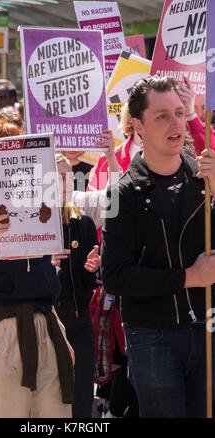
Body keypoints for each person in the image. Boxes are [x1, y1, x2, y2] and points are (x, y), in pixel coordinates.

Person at [101, 75, 215, 418]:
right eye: (162, 116)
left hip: (208, 328)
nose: (176, 123)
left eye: (179, 113)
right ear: (138, 126)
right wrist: (186, 278)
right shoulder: (122, 194)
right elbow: (115, 277)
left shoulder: (205, 179)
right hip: (153, 337)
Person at [0, 118, 74, 418]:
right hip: (0, 335)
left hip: (45, 330)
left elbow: (42, 284)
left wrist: (59, 335)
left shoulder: (40, 212)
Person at [53, 153, 100, 418]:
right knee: (51, 400)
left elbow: (89, 282)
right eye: (58, 177)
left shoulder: (83, 222)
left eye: (69, 176)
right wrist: (45, 264)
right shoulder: (30, 225)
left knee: (82, 400)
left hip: (78, 319)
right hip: (45, 321)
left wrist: (93, 270)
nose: (66, 182)